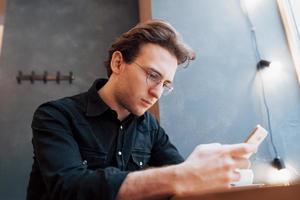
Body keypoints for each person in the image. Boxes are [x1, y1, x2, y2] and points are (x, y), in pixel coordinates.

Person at [26, 19, 256, 200]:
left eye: (165, 84)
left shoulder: (150, 127)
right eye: (153, 76)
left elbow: (183, 176)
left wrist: (209, 177)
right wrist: (181, 176)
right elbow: (69, 188)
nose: (157, 93)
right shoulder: (56, 116)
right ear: (118, 63)